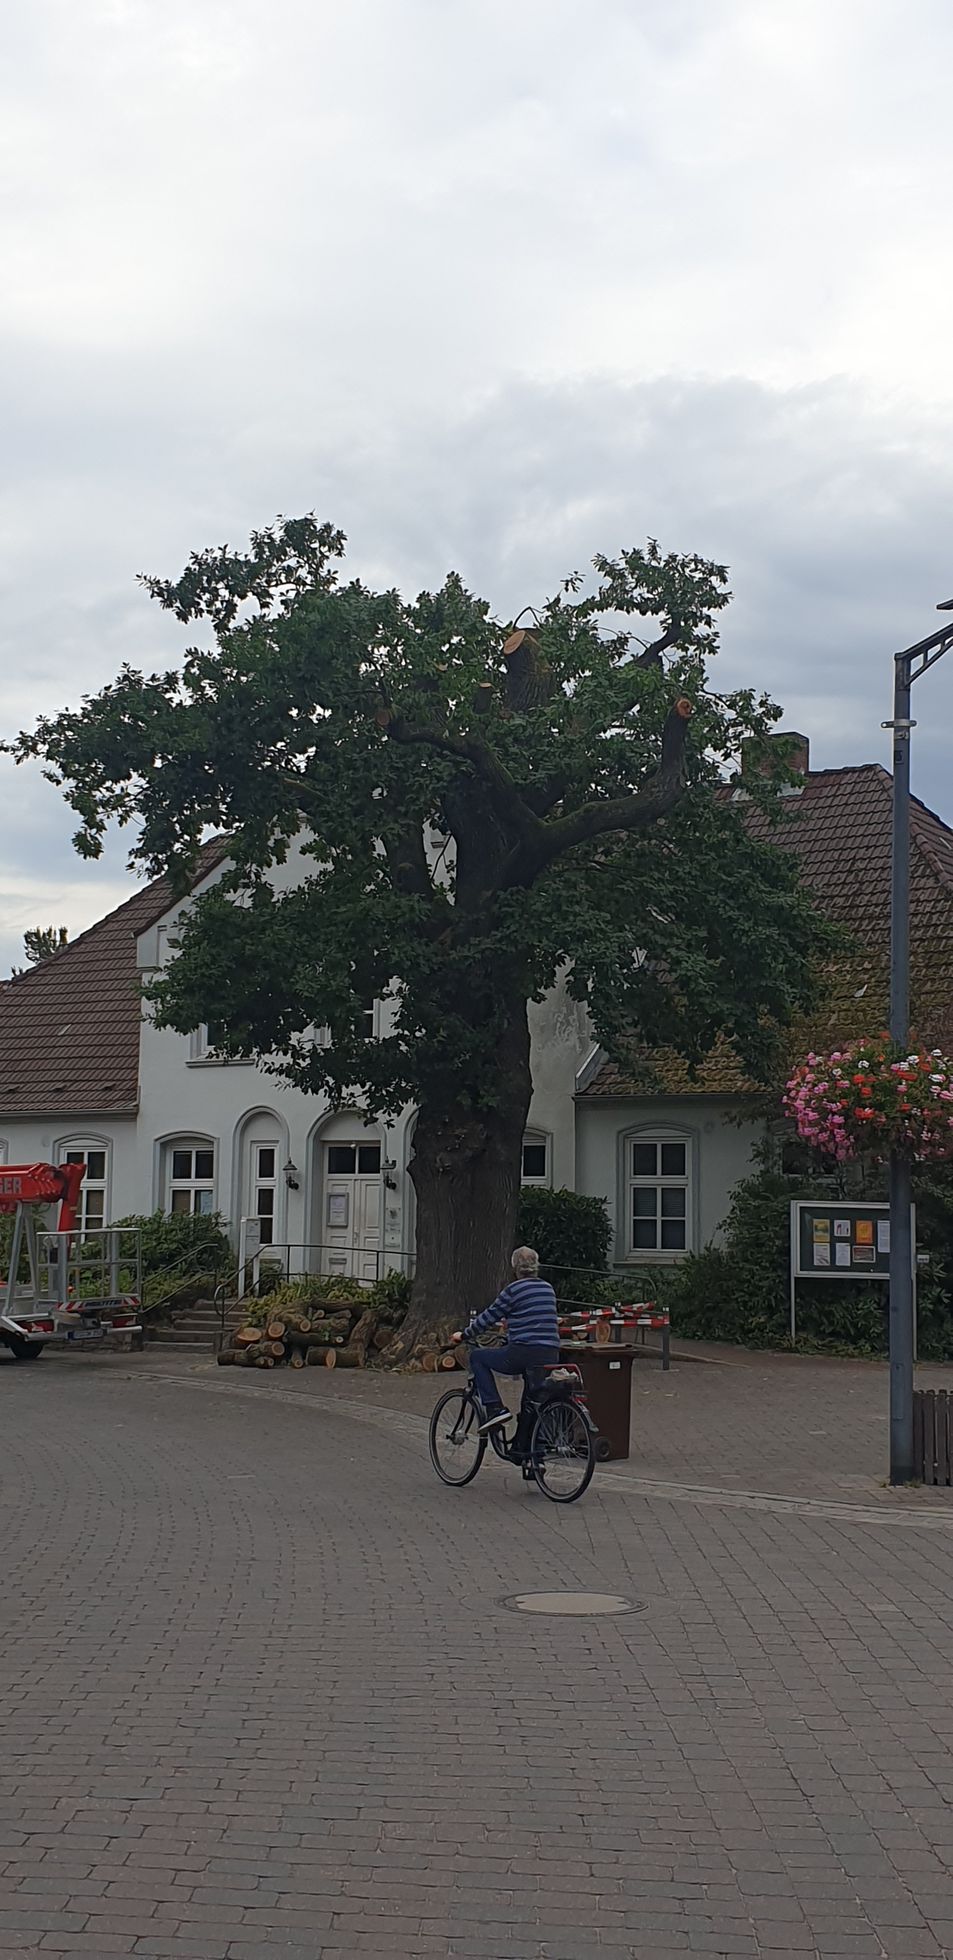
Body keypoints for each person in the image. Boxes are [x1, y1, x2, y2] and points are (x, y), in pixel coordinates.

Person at [452, 1245, 560, 1436]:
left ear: (514, 1268)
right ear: (536, 1266)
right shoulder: (548, 1288)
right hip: (549, 1353)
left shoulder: (513, 1290)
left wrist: (464, 1335)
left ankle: (495, 1408)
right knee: (531, 1402)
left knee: (478, 1357)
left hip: (523, 1352)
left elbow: (488, 1317)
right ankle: (530, 1453)